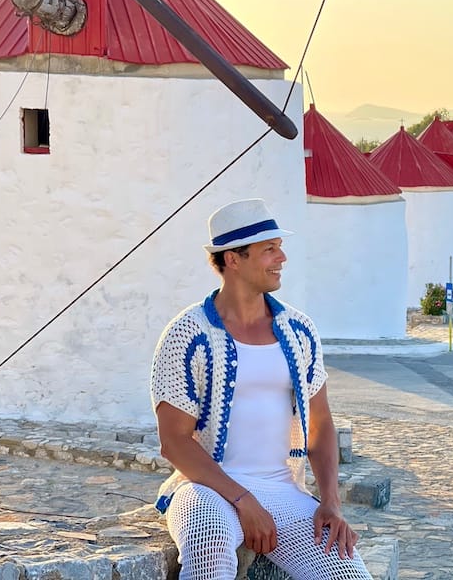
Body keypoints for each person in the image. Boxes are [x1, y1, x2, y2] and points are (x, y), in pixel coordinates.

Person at [150, 198, 372, 579]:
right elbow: (174, 442)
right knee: (210, 541)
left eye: (279, 247)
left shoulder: (299, 330)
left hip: (283, 492)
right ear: (233, 259)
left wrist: (331, 503)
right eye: (269, 249)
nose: (281, 257)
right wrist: (243, 499)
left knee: (347, 573)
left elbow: (320, 425)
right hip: (205, 488)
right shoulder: (187, 334)